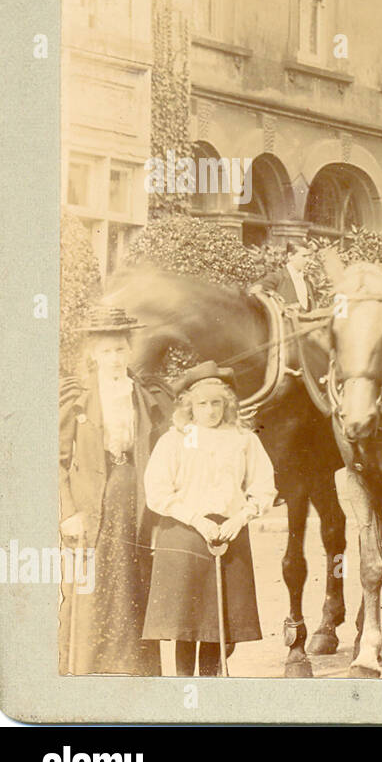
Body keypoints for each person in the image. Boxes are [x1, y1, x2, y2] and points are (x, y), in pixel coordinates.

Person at [142, 362, 275, 676]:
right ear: (189, 405)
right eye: (202, 403)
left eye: (217, 403)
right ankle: (185, 688)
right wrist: (196, 520)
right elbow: (157, 490)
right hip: (184, 532)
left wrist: (240, 518)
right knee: (186, 622)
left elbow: (263, 487)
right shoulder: (175, 439)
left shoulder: (244, 439)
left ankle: (212, 686)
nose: (211, 410)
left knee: (219, 622)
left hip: (229, 534)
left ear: (227, 404)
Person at [59, 307, 171, 676]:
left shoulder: (145, 393)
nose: (114, 358)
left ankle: (135, 668)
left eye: (121, 350)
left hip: (134, 493)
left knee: (133, 577)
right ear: (93, 354)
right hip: (93, 497)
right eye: (106, 351)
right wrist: (69, 511)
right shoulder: (77, 396)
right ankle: (90, 667)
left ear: (130, 351)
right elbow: (56, 460)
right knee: (93, 578)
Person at [253, 241, 316, 310]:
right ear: (290, 256)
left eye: (308, 257)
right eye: (304, 256)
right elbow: (252, 292)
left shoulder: (307, 281)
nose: (308, 260)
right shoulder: (276, 278)